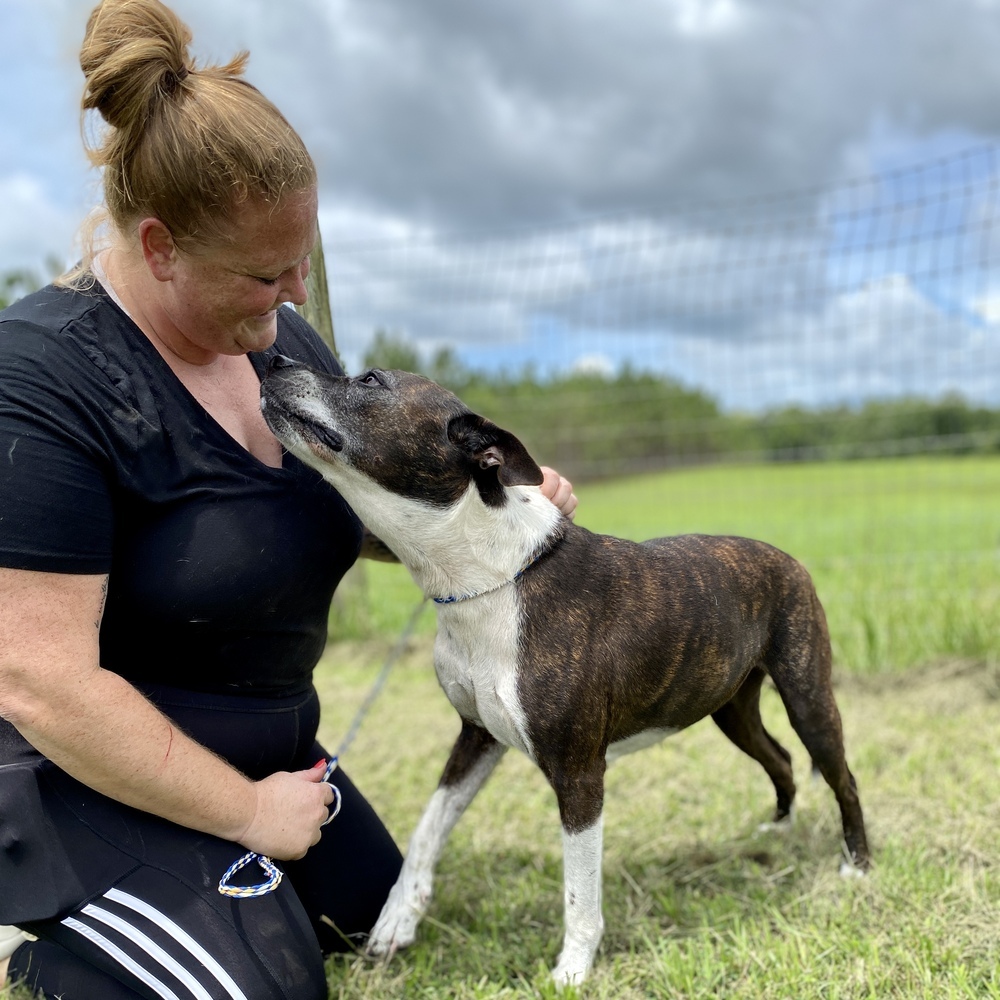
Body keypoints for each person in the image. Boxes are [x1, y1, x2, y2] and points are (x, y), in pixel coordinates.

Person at [0, 2, 578, 997]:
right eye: (266, 273)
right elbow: (39, 682)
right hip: (81, 777)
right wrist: (245, 813)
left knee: (373, 914)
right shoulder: (42, 378)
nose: (297, 295)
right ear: (160, 245)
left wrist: (500, 517)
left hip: (278, 752)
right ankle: (60, 956)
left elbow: (351, 516)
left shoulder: (278, 346)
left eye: (301, 260)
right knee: (269, 987)